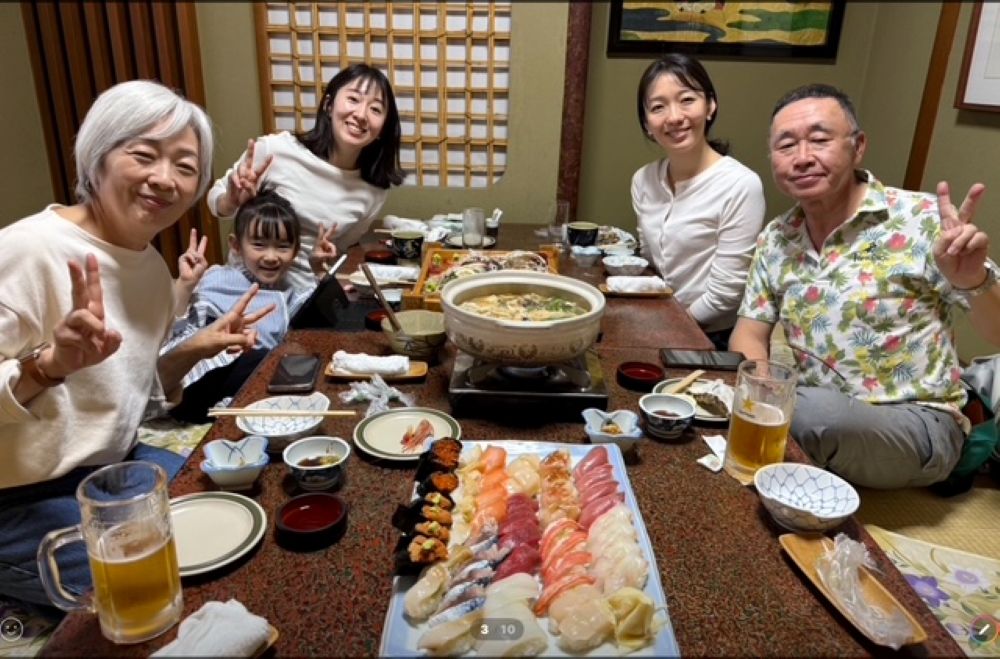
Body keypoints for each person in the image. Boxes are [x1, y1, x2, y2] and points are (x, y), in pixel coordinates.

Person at [0, 80, 270, 606]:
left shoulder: (148, 268)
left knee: (237, 499)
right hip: (19, 498)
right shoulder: (27, 250)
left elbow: (130, 397)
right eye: (143, 155)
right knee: (165, 577)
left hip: (113, 469)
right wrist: (47, 367)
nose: (164, 179)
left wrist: (196, 348)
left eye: (185, 167)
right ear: (96, 157)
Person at [730, 83, 1000, 489]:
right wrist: (761, 395)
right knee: (744, 401)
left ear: (857, 147)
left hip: (920, 422)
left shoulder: (921, 219)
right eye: (786, 146)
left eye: (819, 140)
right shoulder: (778, 237)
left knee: (808, 414)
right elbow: (749, 333)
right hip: (817, 413)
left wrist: (972, 281)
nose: (802, 157)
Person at [207, 63, 405, 291]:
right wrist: (231, 201)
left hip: (305, 297)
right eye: (353, 99)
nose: (361, 115)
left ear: (383, 128)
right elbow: (215, 200)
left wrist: (328, 275)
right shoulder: (276, 150)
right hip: (244, 289)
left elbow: (338, 249)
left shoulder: (374, 190)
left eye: (375, 109)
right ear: (329, 105)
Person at [631, 54, 766, 349]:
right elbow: (649, 260)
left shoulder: (740, 184)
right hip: (659, 320)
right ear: (646, 123)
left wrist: (669, 331)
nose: (674, 117)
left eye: (687, 100)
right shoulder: (644, 179)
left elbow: (725, 294)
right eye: (658, 107)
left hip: (711, 336)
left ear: (710, 106)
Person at [163, 188, 324, 422]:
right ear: (236, 245)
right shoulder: (218, 277)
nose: (271, 256)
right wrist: (185, 284)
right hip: (189, 384)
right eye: (259, 245)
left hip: (243, 378)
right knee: (269, 359)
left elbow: (315, 315)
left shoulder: (286, 293)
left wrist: (319, 270)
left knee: (294, 359)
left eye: (282, 247)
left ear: (296, 251)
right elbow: (173, 327)